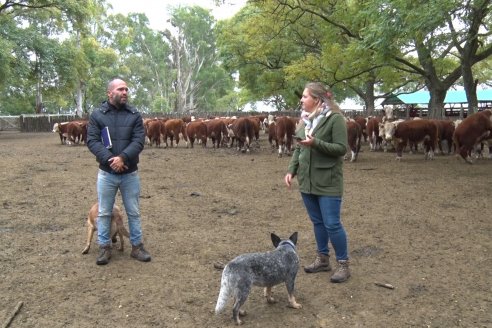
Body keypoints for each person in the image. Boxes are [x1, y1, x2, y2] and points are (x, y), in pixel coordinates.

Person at [284, 82, 350, 283]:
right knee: (318, 222)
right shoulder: (305, 121)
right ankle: (322, 259)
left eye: (304, 96)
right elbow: (298, 148)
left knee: (332, 224)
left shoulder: (335, 119)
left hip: (328, 181)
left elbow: (341, 149)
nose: (301, 100)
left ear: (317, 99)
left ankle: (343, 264)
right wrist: (291, 169)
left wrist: (316, 143)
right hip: (307, 181)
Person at [87, 78, 151, 265]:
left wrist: (122, 157)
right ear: (110, 93)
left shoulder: (134, 115)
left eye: (126, 89)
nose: (125, 92)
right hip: (107, 174)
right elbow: (92, 141)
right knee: (105, 212)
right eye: (120, 89)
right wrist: (111, 160)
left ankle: (137, 247)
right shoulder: (97, 115)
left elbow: (138, 141)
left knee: (133, 211)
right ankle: (105, 248)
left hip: (130, 174)